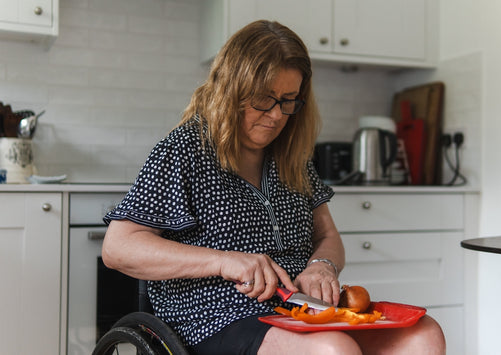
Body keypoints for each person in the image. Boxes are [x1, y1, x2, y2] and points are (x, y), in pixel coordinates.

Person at [102, 20, 445, 355]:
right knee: (332, 349)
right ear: (231, 90)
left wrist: (322, 265)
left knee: (423, 334)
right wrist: (225, 262)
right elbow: (119, 248)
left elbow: (328, 237)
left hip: (297, 308)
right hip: (214, 315)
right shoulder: (186, 150)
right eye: (264, 99)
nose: (278, 115)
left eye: (288, 100)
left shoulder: (292, 156)